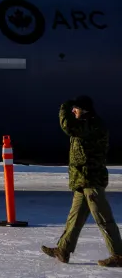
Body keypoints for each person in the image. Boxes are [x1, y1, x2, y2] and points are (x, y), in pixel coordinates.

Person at [42, 96, 122, 267]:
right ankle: (63, 249)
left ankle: (119, 254)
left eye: (75, 109)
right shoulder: (86, 124)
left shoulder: (91, 125)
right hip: (82, 180)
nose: (73, 111)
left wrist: (64, 107)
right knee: (75, 217)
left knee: (103, 218)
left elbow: (68, 126)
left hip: (91, 180)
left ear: (84, 110)